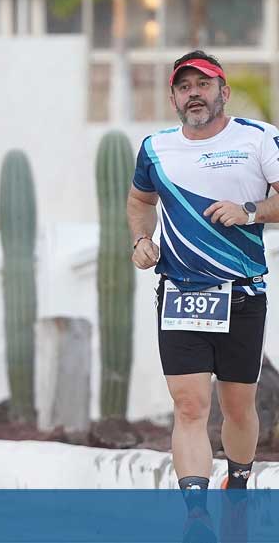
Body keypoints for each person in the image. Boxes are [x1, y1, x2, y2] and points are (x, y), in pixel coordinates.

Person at [128, 51, 278, 498]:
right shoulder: (156, 147)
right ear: (174, 97)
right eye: (184, 87)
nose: (194, 93)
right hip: (181, 291)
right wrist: (141, 240)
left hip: (242, 291)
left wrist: (248, 211)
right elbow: (140, 201)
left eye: (204, 84)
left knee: (237, 407)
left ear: (223, 92)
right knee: (190, 407)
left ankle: (239, 481)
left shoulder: (259, 139)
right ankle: (195, 513)